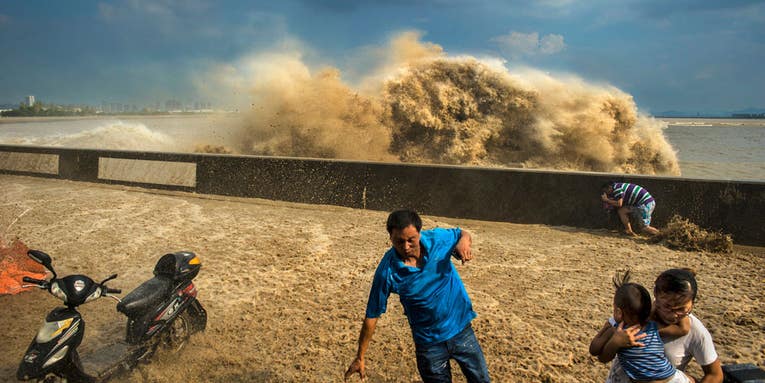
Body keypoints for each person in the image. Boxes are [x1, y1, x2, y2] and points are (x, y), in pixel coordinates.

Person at [344, 209, 490, 383]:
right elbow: (372, 315)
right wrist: (360, 356)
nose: (406, 247)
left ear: (420, 233)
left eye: (411, 240)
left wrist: (463, 243)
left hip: (462, 332)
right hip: (429, 346)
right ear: (390, 238)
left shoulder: (438, 240)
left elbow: (462, 233)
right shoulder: (387, 271)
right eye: (399, 241)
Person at [604, 269, 724, 383]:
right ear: (656, 295)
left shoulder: (696, 332)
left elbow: (715, 375)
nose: (674, 315)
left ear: (692, 303)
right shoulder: (634, 314)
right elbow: (602, 354)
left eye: (682, 309)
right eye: (667, 307)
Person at [590, 271, 691, 383]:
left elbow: (595, 351)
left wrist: (610, 334)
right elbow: (683, 329)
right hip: (672, 378)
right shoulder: (653, 326)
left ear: (618, 312)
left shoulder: (616, 331)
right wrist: (680, 302)